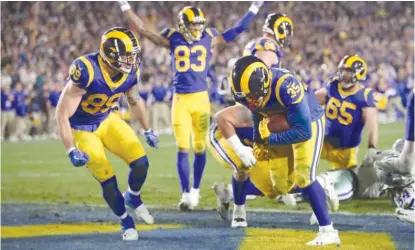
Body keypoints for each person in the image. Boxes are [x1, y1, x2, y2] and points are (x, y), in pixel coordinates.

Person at [118, 0, 264, 211]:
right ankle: (186, 193)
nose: (197, 29)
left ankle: (195, 190)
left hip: (201, 100)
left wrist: (254, 7)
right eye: (193, 25)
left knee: (199, 147)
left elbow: (238, 29)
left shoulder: (209, 37)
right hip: (181, 101)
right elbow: (142, 29)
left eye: (199, 24)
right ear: (183, 25)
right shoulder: (172, 38)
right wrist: (124, 5)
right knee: (182, 148)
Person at [55, 27, 158, 240]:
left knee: (141, 163)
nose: (131, 60)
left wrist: (147, 129)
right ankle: (125, 220)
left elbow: (134, 100)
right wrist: (70, 149)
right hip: (82, 130)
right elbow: (62, 112)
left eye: (133, 55)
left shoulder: (130, 73)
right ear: (110, 55)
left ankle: (133, 196)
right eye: (126, 56)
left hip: (107, 120)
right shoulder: (87, 70)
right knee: (107, 179)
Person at [229, 55, 340, 246]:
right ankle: (321, 185)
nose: (249, 101)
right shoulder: (249, 92)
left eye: (251, 97)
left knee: (304, 175)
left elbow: (303, 132)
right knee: (280, 186)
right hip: (282, 125)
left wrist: (270, 139)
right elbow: (257, 113)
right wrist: (258, 141)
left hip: (309, 122)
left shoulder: (286, 86)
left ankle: (328, 230)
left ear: (263, 84)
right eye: (245, 98)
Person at [315, 55, 379, 170]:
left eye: (348, 71)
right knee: (298, 156)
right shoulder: (332, 86)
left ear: (358, 73)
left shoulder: (364, 96)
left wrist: (371, 148)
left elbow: (372, 125)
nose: (343, 75)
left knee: (348, 182)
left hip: (346, 152)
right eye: (342, 70)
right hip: (323, 143)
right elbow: (313, 101)